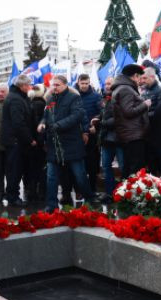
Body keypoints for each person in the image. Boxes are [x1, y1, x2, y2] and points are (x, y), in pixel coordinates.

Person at [38, 75, 96, 211]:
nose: (54, 87)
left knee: (80, 175)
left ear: (65, 85)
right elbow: (46, 116)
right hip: (54, 144)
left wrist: (59, 125)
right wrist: (42, 124)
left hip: (72, 143)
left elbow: (77, 116)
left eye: (57, 85)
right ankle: (51, 205)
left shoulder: (74, 98)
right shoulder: (50, 98)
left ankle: (89, 199)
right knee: (51, 177)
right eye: (53, 85)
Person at [1, 75, 35, 207]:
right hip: (15, 141)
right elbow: (18, 123)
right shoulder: (16, 99)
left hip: (15, 140)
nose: (30, 87)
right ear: (23, 86)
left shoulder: (18, 97)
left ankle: (12, 194)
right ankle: (13, 197)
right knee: (14, 170)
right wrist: (30, 139)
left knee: (14, 169)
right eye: (29, 85)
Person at [112, 64, 151, 176]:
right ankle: (132, 187)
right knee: (135, 169)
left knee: (130, 168)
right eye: (139, 77)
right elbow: (128, 112)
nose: (140, 81)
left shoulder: (123, 87)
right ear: (135, 76)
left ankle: (128, 186)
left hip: (130, 134)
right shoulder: (126, 89)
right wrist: (145, 104)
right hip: (133, 135)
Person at [93, 77, 123, 201]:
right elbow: (104, 115)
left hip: (119, 139)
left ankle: (124, 193)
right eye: (105, 83)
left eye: (109, 83)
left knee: (123, 167)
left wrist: (101, 122)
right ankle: (110, 193)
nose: (107, 85)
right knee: (106, 166)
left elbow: (118, 118)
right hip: (106, 139)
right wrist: (97, 118)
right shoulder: (104, 98)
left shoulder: (119, 97)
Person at [76, 74, 102, 194]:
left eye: (86, 83)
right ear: (78, 82)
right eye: (82, 83)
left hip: (91, 134)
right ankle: (79, 189)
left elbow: (101, 112)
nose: (84, 86)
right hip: (76, 134)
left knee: (92, 163)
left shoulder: (96, 96)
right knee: (78, 163)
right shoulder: (73, 95)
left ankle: (92, 188)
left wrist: (95, 121)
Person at [27, 84, 48, 202]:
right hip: (39, 142)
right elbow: (40, 124)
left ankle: (32, 191)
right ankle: (41, 192)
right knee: (41, 168)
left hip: (32, 141)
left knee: (32, 168)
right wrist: (42, 141)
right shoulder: (41, 104)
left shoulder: (29, 103)